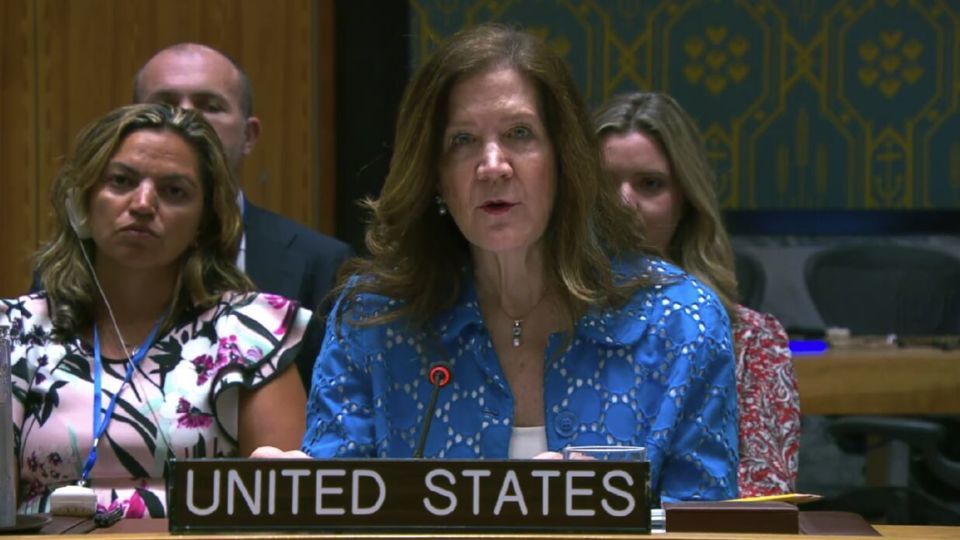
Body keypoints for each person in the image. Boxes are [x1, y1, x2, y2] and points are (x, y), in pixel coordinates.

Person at [295, 25, 739, 502]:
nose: (492, 165)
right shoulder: (373, 320)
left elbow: (709, 525)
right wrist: (289, 499)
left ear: (564, 158)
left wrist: (604, 520)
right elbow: (333, 506)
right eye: (463, 140)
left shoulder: (680, 323)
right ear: (436, 175)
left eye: (519, 134)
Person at [1, 104, 310, 518]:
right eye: (121, 181)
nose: (144, 203)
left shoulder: (252, 335)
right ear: (81, 204)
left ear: (204, 222)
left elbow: (284, 513)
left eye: (174, 191)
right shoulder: (14, 331)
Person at [593, 91, 800, 497]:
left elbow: (765, 500)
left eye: (650, 184)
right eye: (603, 184)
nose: (623, 203)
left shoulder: (751, 340)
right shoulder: (545, 325)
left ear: (686, 201)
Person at [133, 43, 353, 388]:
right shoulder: (85, 262)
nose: (185, 118)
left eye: (210, 106)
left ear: (249, 136)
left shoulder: (323, 264)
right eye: (164, 105)